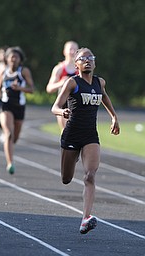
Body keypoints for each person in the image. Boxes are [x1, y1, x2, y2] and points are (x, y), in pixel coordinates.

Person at [51, 47, 120, 234]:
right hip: (71, 134)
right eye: (83, 58)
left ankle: (85, 218)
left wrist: (114, 116)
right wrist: (61, 111)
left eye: (91, 58)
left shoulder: (100, 82)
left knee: (90, 176)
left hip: (90, 135)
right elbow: (55, 106)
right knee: (66, 179)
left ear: (95, 63)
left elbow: (104, 97)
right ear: (77, 65)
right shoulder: (72, 83)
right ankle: (73, 157)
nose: (88, 61)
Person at [0, 46, 35, 174]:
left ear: (20, 59)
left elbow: (32, 89)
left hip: (19, 106)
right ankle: (10, 163)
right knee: (9, 133)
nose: (13, 59)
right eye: (11, 57)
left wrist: (19, 88)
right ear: (7, 59)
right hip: (5, 105)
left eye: (16, 57)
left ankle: (9, 147)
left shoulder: (23, 71)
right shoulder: (4, 72)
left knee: (15, 137)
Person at [46, 41, 79, 131]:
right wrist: (61, 83)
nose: (72, 52)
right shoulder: (59, 69)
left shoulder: (80, 70)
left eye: (75, 50)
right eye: (70, 49)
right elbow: (49, 88)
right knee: (66, 131)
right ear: (64, 51)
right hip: (63, 104)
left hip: (78, 104)